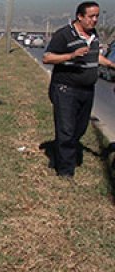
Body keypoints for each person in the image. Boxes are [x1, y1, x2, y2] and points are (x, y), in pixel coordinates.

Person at [43, 1, 115, 178]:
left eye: (97, 16)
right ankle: (65, 171)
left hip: (87, 90)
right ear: (80, 16)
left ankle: (62, 155)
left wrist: (111, 64)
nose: (95, 20)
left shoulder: (93, 35)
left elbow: (95, 56)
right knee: (66, 129)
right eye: (91, 16)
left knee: (80, 128)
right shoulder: (64, 35)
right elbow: (47, 57)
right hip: (65, 89)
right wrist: (71, 56)